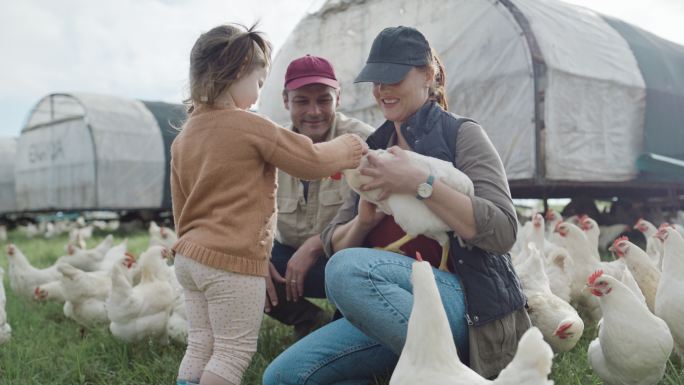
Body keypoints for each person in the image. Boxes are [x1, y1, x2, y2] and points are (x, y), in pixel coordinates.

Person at [263, 26, 530, 384]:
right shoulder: (373, 145)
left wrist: (419, 184)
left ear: (428, 75)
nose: (382, 89)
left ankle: (448, 372)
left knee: (346, 269)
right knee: (283, 377)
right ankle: (416, 370)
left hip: (464, 305)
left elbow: (502, 232)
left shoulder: (462, 135)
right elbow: (334, 241)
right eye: (376, 80)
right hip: (392, 308)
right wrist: (363, 221)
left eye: (393, 77)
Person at [170, 24, 367, 385]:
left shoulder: (185, 135)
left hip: (189, 257)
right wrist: (349, 148)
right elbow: (310, 161)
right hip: (231, 261)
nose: (258, 94)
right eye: (258, 82)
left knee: (200, 344)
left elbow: (180, 206)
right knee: (231, 353)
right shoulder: (251, 125)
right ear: (237, 73)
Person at [265, 55, 374, 339]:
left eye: (323, 100)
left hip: (347, 258)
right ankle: (308, 318)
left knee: (350, 332)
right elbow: (247, 212)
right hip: (288, 259)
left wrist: (315, 245)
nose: (314, 111)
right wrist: (253, 256)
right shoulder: (270, 148)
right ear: (286, 101)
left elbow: (376, 211)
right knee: (237, 262)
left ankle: (349, 323)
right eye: (302, 101)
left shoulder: (364, 141)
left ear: (337, 97)